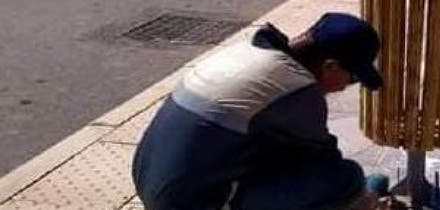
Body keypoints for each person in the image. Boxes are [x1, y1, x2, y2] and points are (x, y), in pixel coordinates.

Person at [132, 13, 384, 210]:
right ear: (330, 66)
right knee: (345, 178)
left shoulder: (248, 51)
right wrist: (364, 196)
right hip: (190, 203)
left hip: (151, 183)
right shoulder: (296, 89)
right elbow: (324, 160)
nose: (344, 87)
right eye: (352, 79)